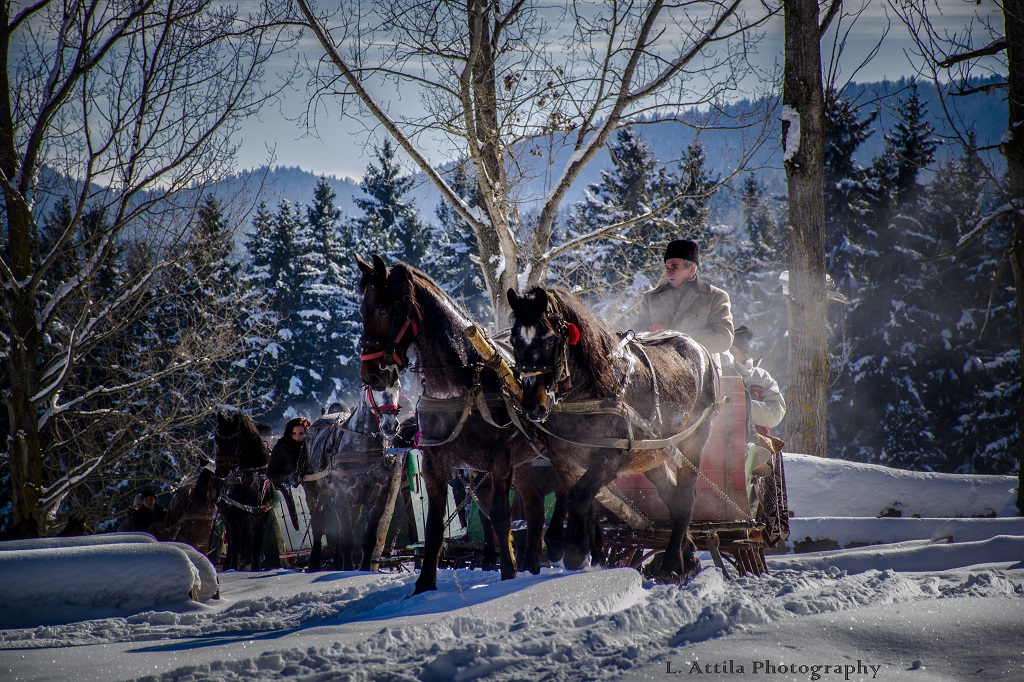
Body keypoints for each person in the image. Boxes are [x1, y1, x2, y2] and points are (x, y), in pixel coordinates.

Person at [636, 238, 734, 362]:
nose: (669, 272)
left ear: (691, 270)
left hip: (701, 371)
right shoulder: (651, 297)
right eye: (667, 267)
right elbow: (638, 331)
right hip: (658, 368)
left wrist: (677, 339)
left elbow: (724, 337)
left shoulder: (715, 297)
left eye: (674, 267)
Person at [729, 325, 786, 439]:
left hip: (756, 446)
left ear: (744, 353)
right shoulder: (717, 374)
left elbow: (775, 413)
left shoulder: (762, 377)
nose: (728, 357)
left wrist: (743, 405)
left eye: (732, 352)